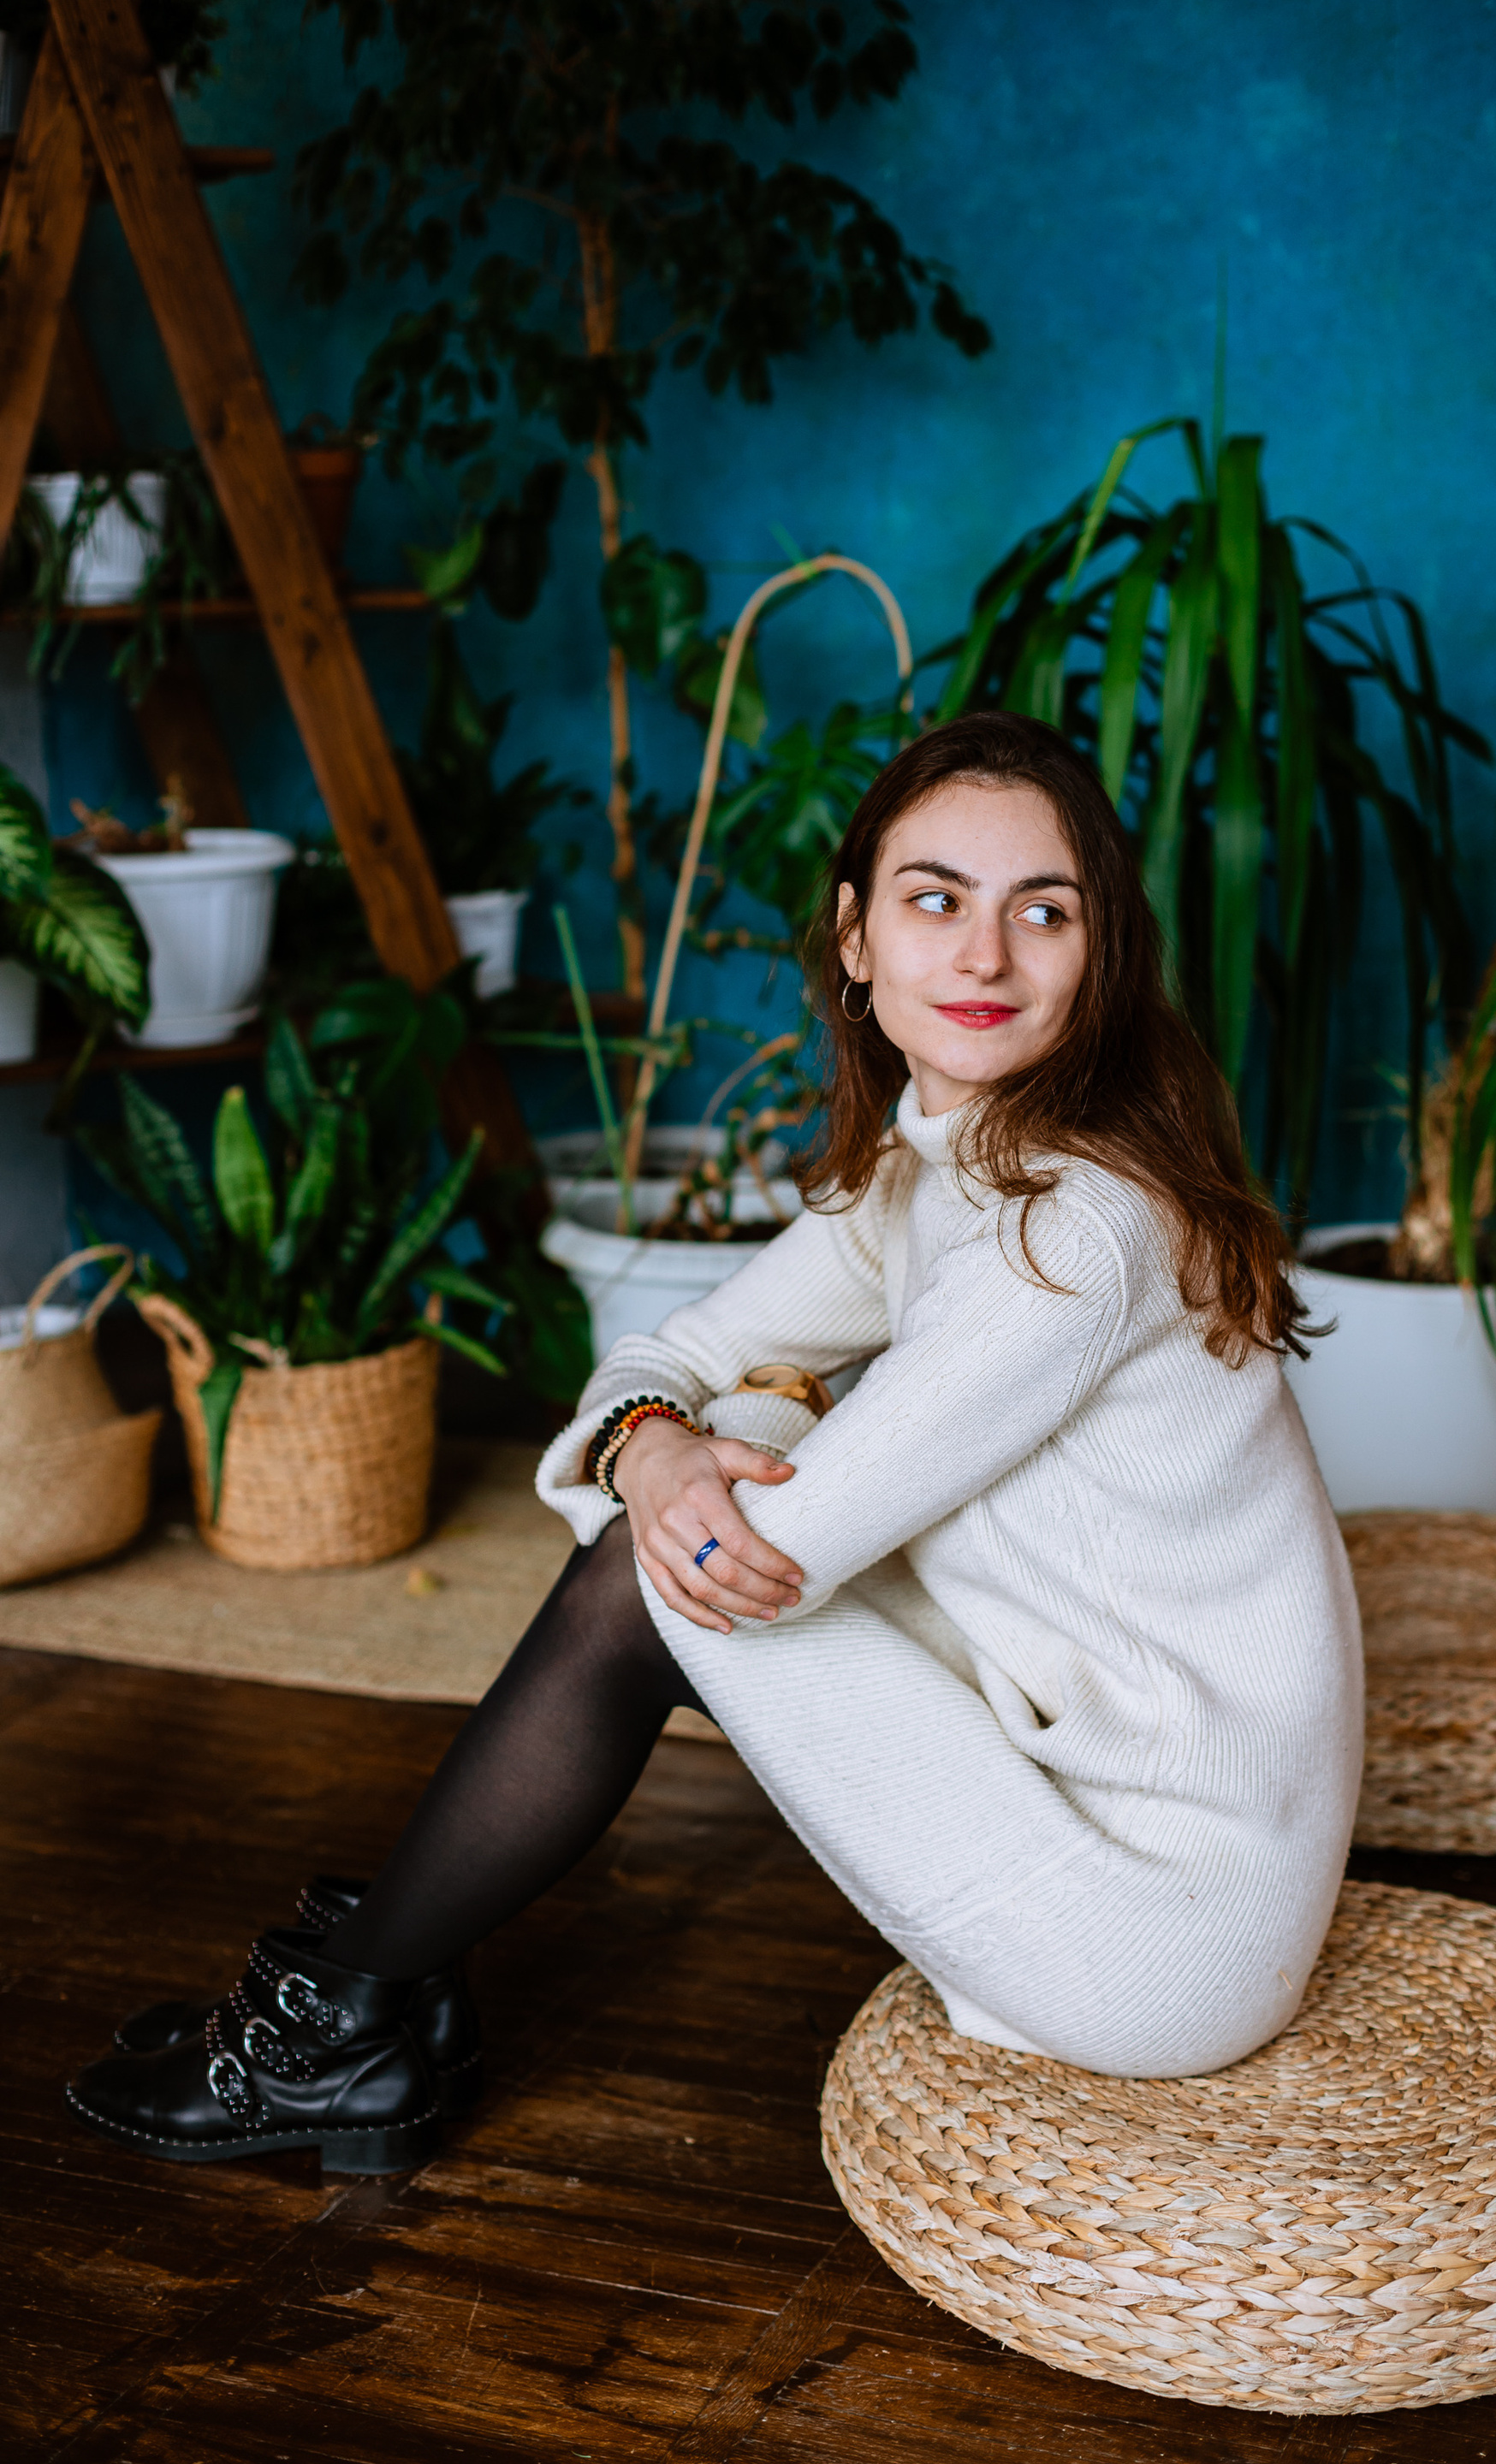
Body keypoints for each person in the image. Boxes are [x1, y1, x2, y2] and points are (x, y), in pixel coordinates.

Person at [67, 711, 1362, 2176]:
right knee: (705, 1469)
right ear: (857, 937)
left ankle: (347, 2016)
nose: (985, 957)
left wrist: (706, 1444)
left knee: (666, 1568)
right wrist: (650, 1443)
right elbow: (669, 1355)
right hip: (1100, 1785)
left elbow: (763, 1552)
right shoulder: (930, 1169)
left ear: (1101, 954)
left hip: (1168, 1920)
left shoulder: (1070, 1231)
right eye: (936, 900)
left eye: (1042, 913)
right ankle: (374, 1989)